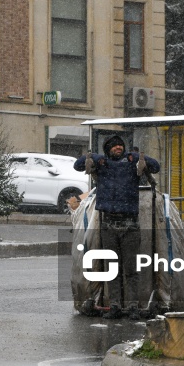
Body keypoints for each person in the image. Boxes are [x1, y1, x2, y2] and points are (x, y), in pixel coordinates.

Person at [74, 135, 160, 319]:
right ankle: (114, 306)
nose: (118, 148)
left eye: (121, 145)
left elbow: (155, 167)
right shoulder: (102, 165)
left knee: (130, 270)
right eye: (114, 146)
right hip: (108, 224)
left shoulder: (131, 164)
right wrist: (96, 158)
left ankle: (132, 307)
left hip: (130, 225)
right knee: (112, 269)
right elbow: (78, 164)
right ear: (108, 150)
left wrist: (137, 157)